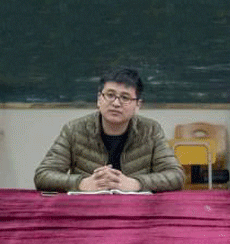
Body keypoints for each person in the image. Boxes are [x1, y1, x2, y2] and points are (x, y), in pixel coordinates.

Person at [34, 67, 184, 192]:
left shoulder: (150, 130)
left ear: (138, 105)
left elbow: (176, 176)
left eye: (125, 97)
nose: (116, 103)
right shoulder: (74, 129)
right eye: (110, 95)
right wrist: (81, 183)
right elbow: (43, 175)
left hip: (135, 209)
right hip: (87, 208)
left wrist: (136, 183)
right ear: (99, 99)